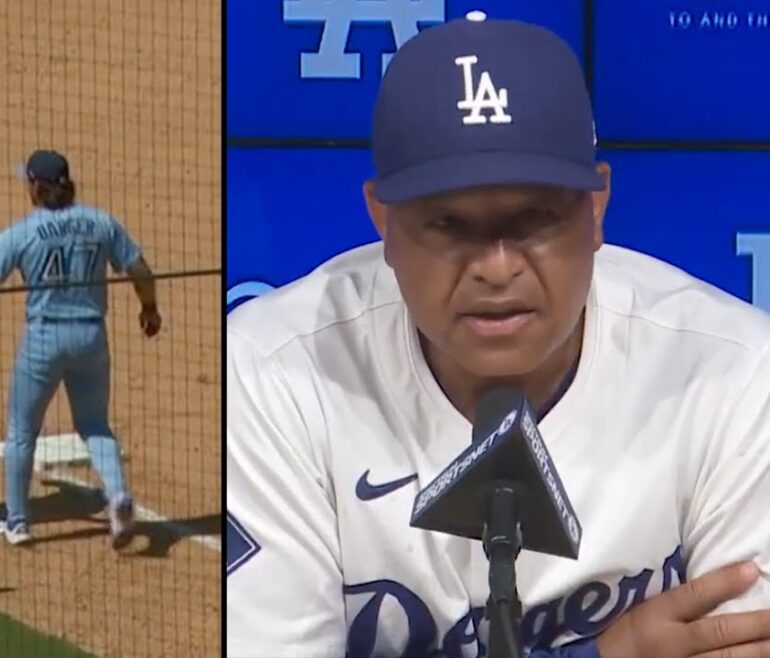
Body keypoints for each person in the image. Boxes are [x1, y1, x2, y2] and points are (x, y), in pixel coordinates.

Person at [226, 13, 770, 658]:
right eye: (450, 225)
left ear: (597, 207)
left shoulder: (734, 372)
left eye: (535, 219)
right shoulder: (275, 372)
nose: (497, 266)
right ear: (383, 221)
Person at [0, 149, 161, 548]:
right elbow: (140, 270)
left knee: (22, 430)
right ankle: (118, 494)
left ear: (36, 187)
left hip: (44, 339)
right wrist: (149, 309)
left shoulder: (23, 232)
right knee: (94, 424)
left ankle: (17, 522)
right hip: (91, 336)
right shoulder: (101, 222)